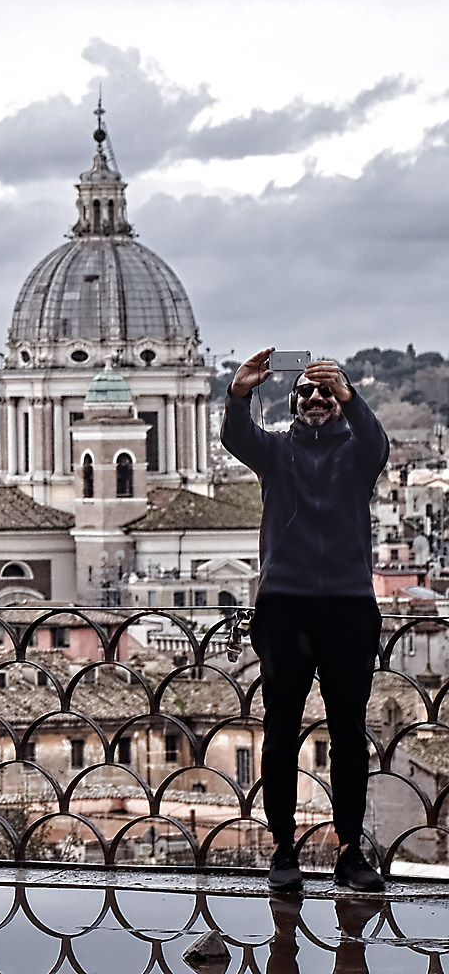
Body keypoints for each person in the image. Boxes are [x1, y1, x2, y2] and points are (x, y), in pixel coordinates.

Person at [223, 348, 391, 893]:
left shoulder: (358, 454)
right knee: (279, 733)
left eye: (326, 393)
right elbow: (236, 438)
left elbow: (378, 443)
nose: (316, 398)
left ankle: (348, 851)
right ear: (293, 404)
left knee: (348, 733)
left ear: (339, 403)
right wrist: (240, 392)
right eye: (307, 392)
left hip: (347, 607)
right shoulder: (274, 451)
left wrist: (348, 391)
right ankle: (283, 849)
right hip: (284, 607)